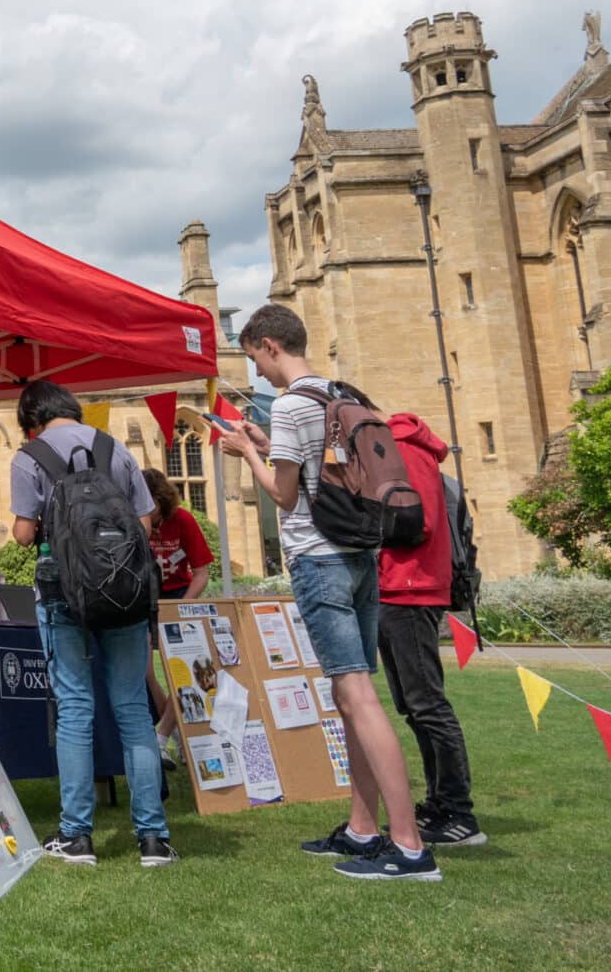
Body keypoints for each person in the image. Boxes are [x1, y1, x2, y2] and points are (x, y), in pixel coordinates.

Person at [216, 304, 440, 881]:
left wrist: (248, 454)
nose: (258, 375)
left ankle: (409, 846)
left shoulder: (291, 404)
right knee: (351, 698)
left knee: (358, 698)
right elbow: (320, 473)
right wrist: (270, 443)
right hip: (361, 556)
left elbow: (286, 497)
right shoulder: (343, 396)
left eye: (255, 360)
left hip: (319, 562)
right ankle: (364, 830)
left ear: (270, 345)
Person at [10, 379, 177, 869]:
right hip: (123, 593)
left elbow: (22, 534)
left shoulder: (30, 457)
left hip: (64, 593)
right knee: (131, 710)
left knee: (76, 710)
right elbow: (146, 522)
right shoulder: (114, 448)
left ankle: (77, 836)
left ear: (32, 419)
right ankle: (153, 838)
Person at [375, 405, 485, 847]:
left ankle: (458, 812)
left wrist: (361, 517)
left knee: (428, 705)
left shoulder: (401, 448)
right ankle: (440, 805)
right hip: (396, 589)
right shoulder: (395, 448)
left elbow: (413, 522)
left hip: (411, 590)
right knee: (413, 706)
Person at [141, 467, 213, 768]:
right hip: (145, 599)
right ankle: (179, 730)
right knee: (145, 671)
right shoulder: (138, 523)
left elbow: (201, 574)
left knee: (181, 671)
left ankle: (162, 738)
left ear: (160, 500)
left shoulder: (183, 520)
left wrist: (182, 607)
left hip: (179, 596)